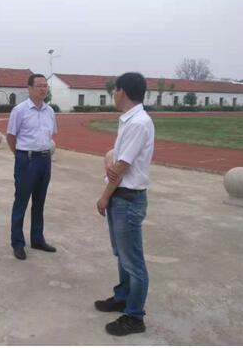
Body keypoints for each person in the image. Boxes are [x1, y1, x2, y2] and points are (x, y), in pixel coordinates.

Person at [94, 72, 155, 336]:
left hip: (127, 199)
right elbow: (117, 163)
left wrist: (104, 196)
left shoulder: (138, 123)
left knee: (133, 261)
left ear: (122, 91)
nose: (113, 94)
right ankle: (123, 296)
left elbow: (120, 167)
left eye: (115, 90)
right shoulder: (130, 120)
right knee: (122, 255)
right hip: (122, 196)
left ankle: (134, 316)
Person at [6, 74, 58, 260]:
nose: (43, 89)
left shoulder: (50, 111)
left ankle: (37, 239)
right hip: (26, 161)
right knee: (21, 202)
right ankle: (17, 243)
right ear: (29, 88)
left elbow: (51, 135)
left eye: (45, 86)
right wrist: (21, 156)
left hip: (45, 160)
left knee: (39, 202)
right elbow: (11, 136)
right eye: (39, 86)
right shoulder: (19, 110)